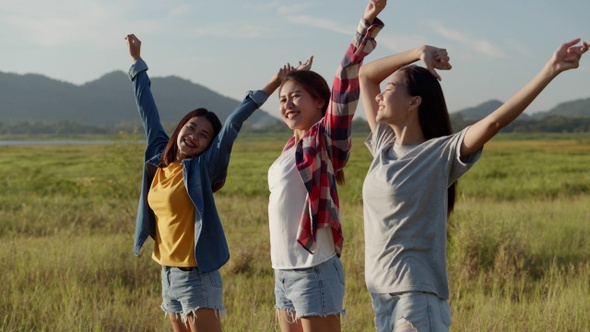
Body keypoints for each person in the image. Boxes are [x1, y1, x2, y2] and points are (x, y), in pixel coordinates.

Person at [358, 37, 589, 331]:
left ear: (414, 102)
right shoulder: (383, 146)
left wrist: (551, 68)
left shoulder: (438, 154)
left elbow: (494, 123)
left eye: (389, 90)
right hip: (381, 297)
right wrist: (418, 53)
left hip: (414, 298)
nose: (379, 96)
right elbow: (366, 75)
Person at [125, 33, 293, 332]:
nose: (194, 136)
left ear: (207, 146)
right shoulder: (157, 157)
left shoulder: (202, 167)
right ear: (180, 129)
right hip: (167, 272)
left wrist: (271, 85)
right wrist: (137, 62)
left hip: (196, 274)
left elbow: (231, 126)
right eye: (191, 128)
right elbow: (147, 108)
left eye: (204, 135)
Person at [267, 1, 386, 331]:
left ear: (320, 101)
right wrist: (298, 79)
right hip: (284, 270)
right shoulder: (291, 147)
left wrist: (365, 24)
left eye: (296, 96)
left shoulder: (325, 140)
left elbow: (345, 80)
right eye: (283, 99)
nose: (287, 104)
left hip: (313, 267)